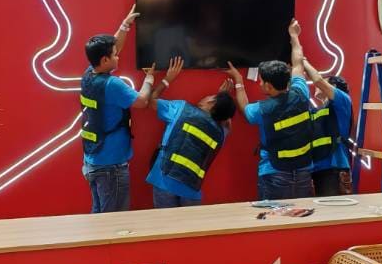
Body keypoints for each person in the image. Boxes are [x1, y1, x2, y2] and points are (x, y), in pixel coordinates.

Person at [226, 19, 315, 200]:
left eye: (261, 81)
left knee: (274, 216)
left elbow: (245, 109)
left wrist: (238, 81)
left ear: (268, 86)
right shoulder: (301, 93)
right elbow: (298, 63)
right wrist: (294, 36)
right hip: (304, 173)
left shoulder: (262, 109)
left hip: (275, 173)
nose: (259, 83)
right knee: (301, 216)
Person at [80, 4, 156, 213]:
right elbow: (142, 101)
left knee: (100, 215)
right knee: (114, 222)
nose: (118, 56)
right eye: (114, 55)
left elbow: (114, 48)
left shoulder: (88, 74)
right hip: (111, 167)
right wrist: (149, 79)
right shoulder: (112, 85)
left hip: (93, 161)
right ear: (105, 60)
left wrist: (124, 25)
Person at [144, 56, 237, 208]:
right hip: (192, 189)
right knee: (190, 224)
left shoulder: (180, 109)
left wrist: (167, 79)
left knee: (166, 222)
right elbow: (226, 121)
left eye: (211, 97)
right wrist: (223, 100)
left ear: (211, 102)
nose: (206, 96)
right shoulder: (221, 134)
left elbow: (150, 100)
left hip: (164, 180)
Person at [301, 59, 353, 197]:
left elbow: (318, 80)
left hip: (334, 168)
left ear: (333, 86)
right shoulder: (317, 110)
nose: (316, 85)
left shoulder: (342, 100)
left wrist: (303, 62)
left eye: (325, 82)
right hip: (316, 168)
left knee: (334, 208)